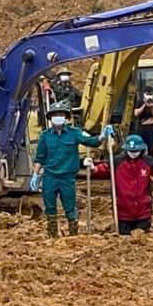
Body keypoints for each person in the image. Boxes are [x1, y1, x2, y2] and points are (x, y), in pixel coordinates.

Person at [32, 101, 110, 236]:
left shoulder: (74, 133)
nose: (58, 117)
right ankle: (52, 235)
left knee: (70, 207)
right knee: (50, 207)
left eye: (61, 114)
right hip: (50, 177)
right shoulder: (45, 136)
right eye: (55, 114)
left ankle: (73, 235)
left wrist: (102, 136)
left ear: (66, 117)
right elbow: (40, 158)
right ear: (50, 118)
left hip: (67, 178)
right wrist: (35, 175)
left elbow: (90, 141)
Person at [97, 134, 153, 235]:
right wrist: (92, 167)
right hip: (122, 211)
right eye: (131, 151)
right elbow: (101, 170)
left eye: (136, 151)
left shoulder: (148, 162)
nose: (133, 154)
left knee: (143, 239)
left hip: (143, 211)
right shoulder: (116, 162)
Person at [131, 87, 153, 158]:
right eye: (147, 94)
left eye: (150, 94)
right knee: (140, 148)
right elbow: (136, 113)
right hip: (142, 128)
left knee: (151, 148)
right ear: (144, 94)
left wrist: (152, 107)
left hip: (151, 128)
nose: (149, 96)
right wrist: (144, 105)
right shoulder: (139, 102)